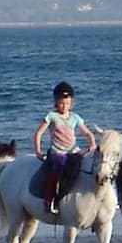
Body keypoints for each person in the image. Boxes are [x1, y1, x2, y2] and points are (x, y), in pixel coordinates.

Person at [33, 81, 97, 214]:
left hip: (73, 150)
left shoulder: (75, 118)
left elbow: (87, 132)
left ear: (71, 103)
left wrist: (92, 144)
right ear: (56, 102)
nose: (64, 106)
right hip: (58, 151)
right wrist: (38, 150)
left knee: (88, 165)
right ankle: (50, 200)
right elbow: (39, 133)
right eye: (61, 103)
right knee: (58, 170)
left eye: (67, 103)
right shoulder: (52, 116)